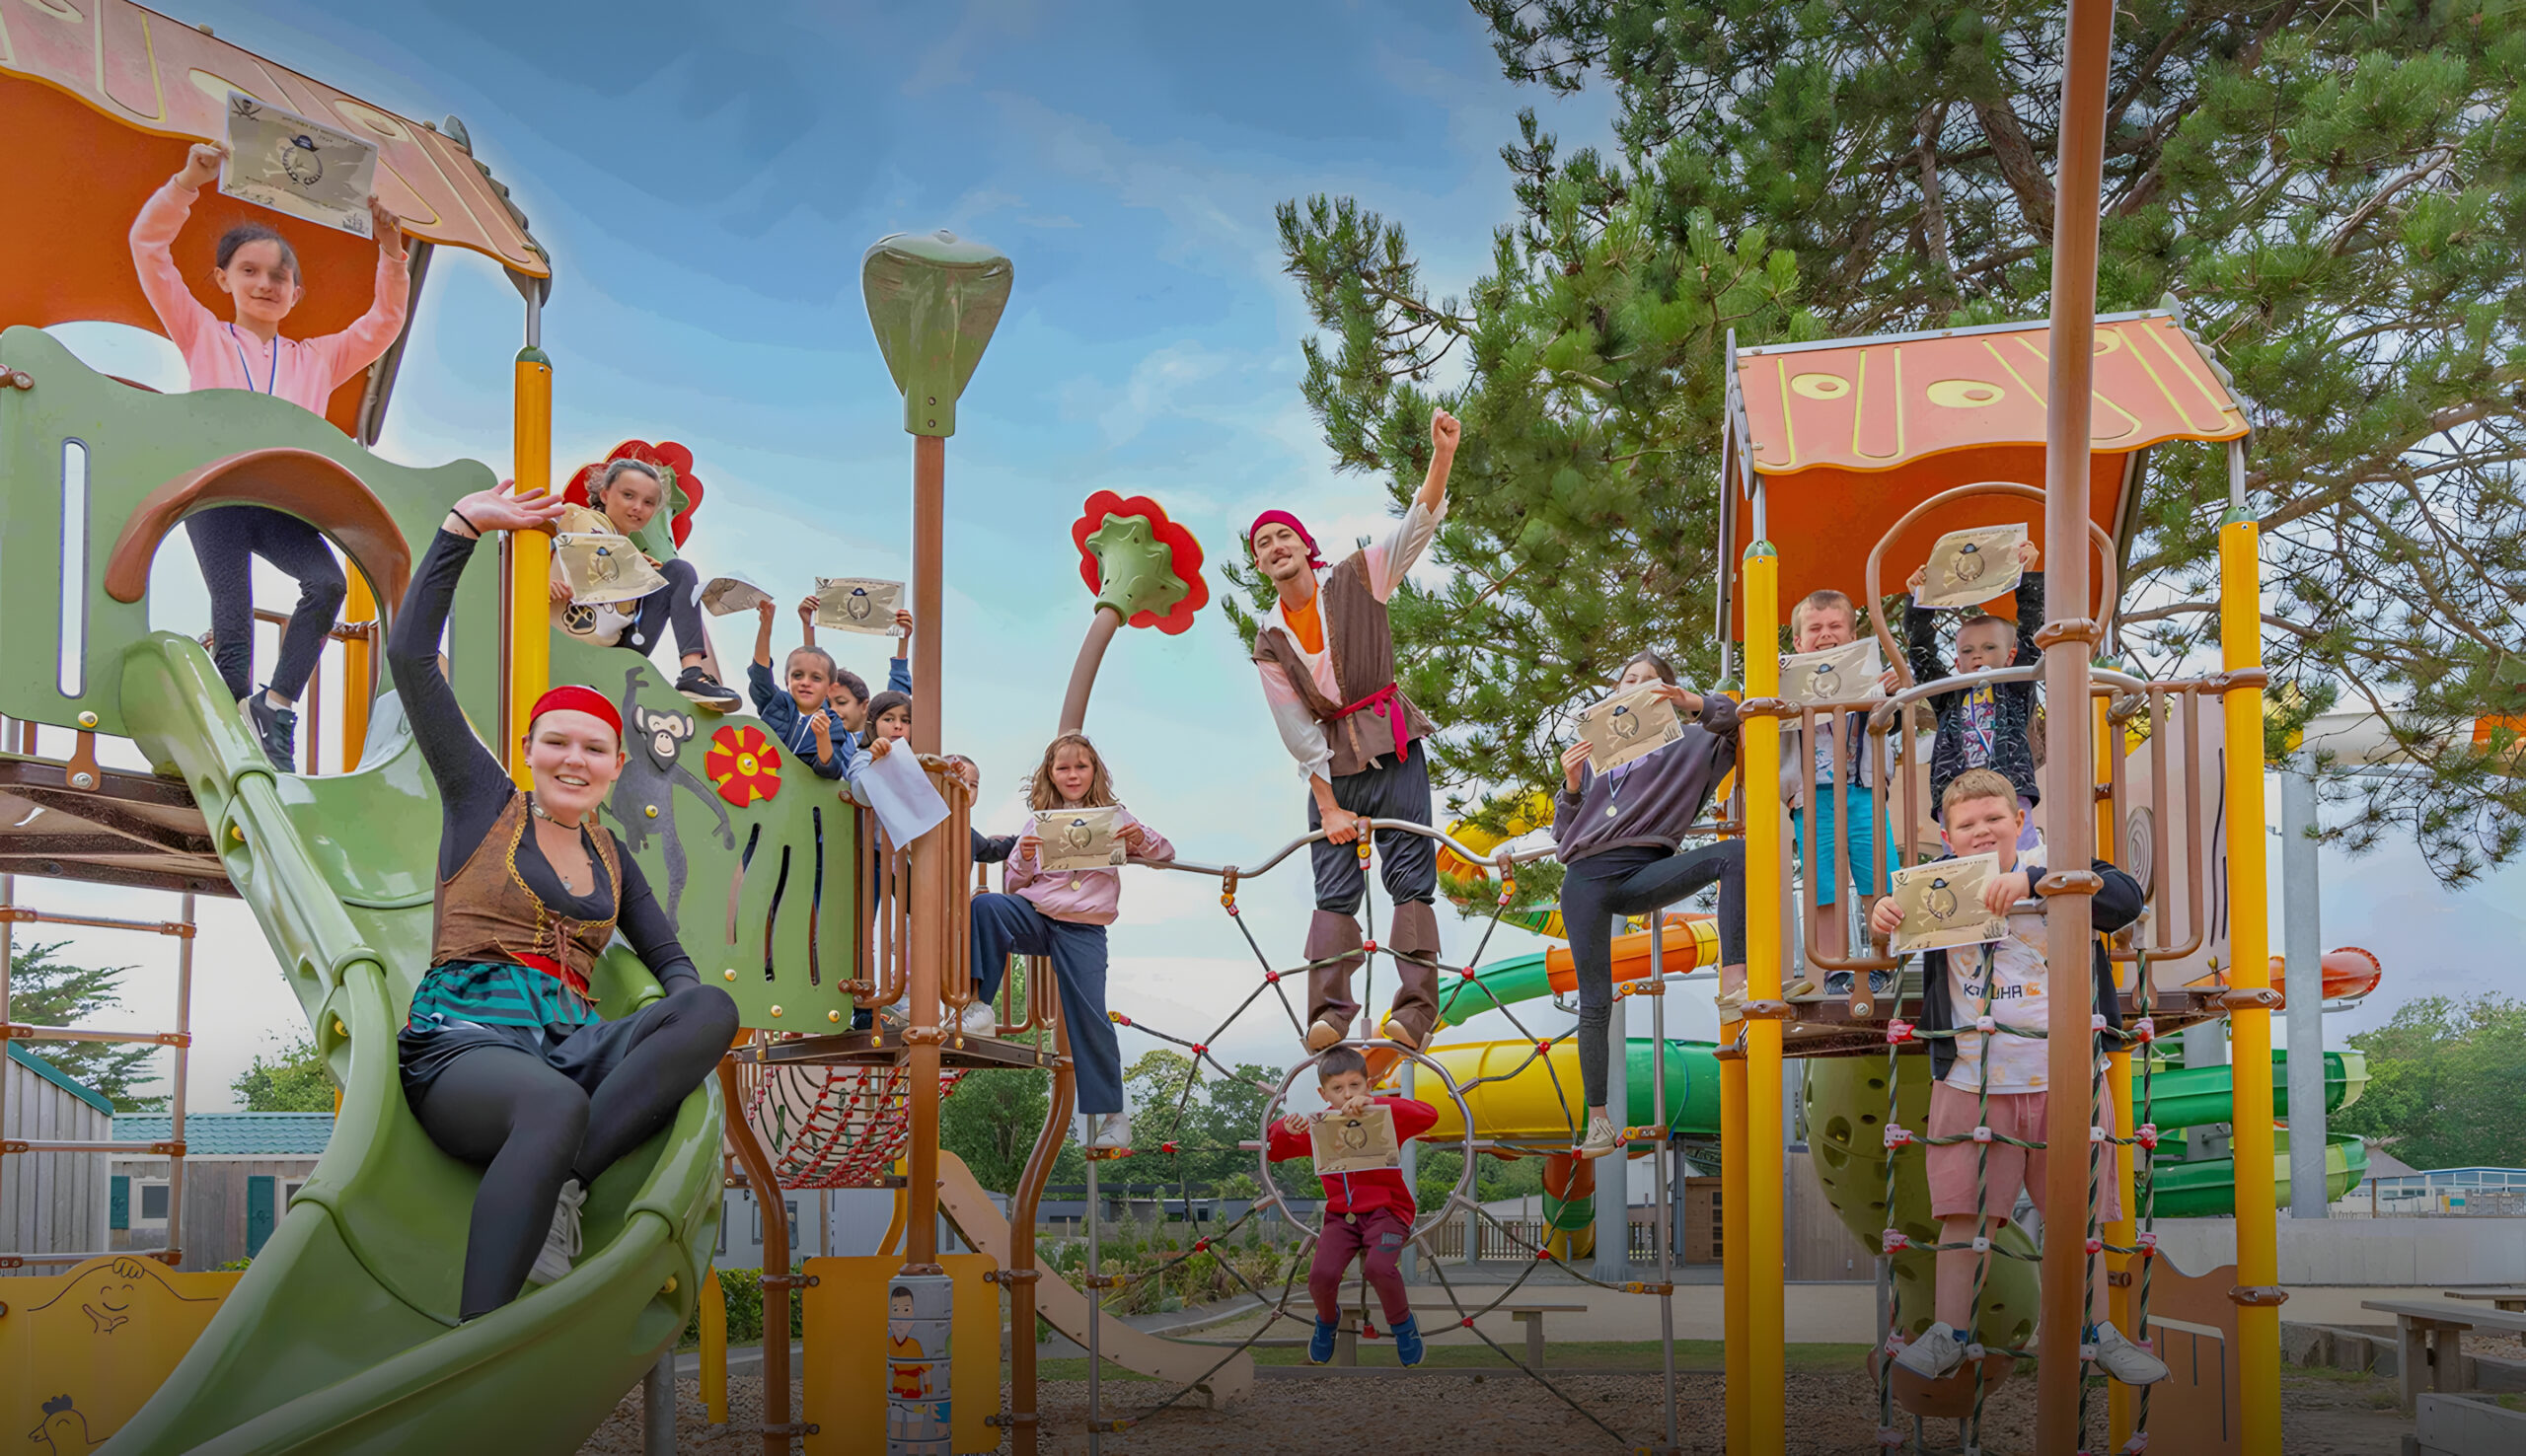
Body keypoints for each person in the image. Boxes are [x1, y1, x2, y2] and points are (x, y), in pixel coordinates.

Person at [386, 483, 740, 1321]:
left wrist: (670, 1027)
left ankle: (564, 1185)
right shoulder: (484, 803)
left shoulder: (610, 854)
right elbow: (410, 661)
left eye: (593, 749)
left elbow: (673, 963)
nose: (574, 760)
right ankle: (479, 1339)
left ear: (617, 765)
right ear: (530, 750)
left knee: (712, 1010)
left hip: (569, 1042)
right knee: (553, 1103)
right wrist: (463, 529)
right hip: (467, 1047)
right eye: (558, 744)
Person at [1872, 768, 2167, 1388]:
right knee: (1963, 1216)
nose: (1981, 832)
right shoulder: (1935, 888)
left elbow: (2125, 897)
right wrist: (1881, 918)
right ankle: (1949, 1333)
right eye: (1966, 825)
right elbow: (1889, 950)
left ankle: (2095, 1330)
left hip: (2064, 1079)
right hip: (1973, 1079)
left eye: (1993, 820)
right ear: (1947, 837)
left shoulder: (2058, 870)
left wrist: (2034, 881)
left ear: (2019, 821)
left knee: (2077, 1217)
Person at [130, 140, 411, 772]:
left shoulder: (315, 357)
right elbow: (149, 252)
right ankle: (228, 749)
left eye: (278, 276)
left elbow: (383, 323)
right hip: (221, 497)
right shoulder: (204, 331)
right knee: (234, 628)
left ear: (295, 292)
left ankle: (276, 706)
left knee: (327, 583)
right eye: (249, 271)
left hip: (284, 501)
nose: (264, 283)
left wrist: (391, 252)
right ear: (224, 280)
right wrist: (187, 183)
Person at [1247, 406, 1462, 1071]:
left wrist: (1442, 453)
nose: (1276, 547)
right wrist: (1330, 803)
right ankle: (1327, 1017)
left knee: (1408, 877)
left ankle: (1412, 1014)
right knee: (1333, 888)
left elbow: (1419, 521)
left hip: (1392, 746)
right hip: (1332, 766)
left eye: (1284, 536)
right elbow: (1295, 727)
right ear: (1259, 564)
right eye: (1263, 544)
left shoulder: (1359, 575)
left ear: (1304, 546)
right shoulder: (1270, 639)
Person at [1552, 651, 1746, 1157]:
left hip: (1643, 868)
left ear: (1664, 693)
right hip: (1585, 877)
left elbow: (1737, 721)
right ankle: (1597, 1121)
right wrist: (1570, 788)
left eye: (1650, 681)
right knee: (1595, 1000)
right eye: (1628, 679)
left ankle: (1733, 982)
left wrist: (1693, 704)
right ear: (1615, 695)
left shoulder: (1691, 740)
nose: (1636, 686)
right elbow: (1564, 840)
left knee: (1735, 855)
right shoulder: (1597, 758)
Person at [967, 733, 1172, 1149]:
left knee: (1090, 1014)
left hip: (1083, 927)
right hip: (1038, 916)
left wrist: (1136, 838)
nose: (1073, 774)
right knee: (985, 907)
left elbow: (1163, 854)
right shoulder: (1040, 819)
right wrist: (1023, 855)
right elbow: (1013, 882)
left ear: (1094, 770)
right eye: (1063, 768)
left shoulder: (1113, 815)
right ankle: (979, 1006)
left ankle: (1113, 1116)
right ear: (1051, 775)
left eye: (1081, 766)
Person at [1266, 1046, 1437, 1366]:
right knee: (1321, 1276)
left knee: (1378, 1267)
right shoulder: (1321, 1128)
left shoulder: (1382, 1117)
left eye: (1355, 1086)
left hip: (1388, 1213)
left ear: (1367, 1085)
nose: (1347, 1095)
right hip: (1341, 1218)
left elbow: (1429, 1115)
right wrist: (1284, 1128)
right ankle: (1327, 1321)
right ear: (1324, 1092)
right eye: (1338, 1089)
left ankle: (1403, 1326)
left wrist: (1377, 1103)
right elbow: (1274, 1150)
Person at [548, 458, 741, 711]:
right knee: (669, 572)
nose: (638, 507)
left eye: (648, 502)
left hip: (615, 655)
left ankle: (692, 674)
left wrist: (641, 568)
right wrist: (539, 580)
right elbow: (520, 547)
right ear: (604, 494)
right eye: (628, 495)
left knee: (679, 571)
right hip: (563, 641)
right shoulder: (580, 518)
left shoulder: (636, 559)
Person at [1779, 588, 1900, 964]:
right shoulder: (1785, 685)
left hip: (1862, 788)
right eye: (1814, 628)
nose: (1826, 634)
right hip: (1812, 796)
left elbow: (1889, 727)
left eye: (1835, 626)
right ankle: (1834, 966)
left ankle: (1883, 960)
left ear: (1852, 636)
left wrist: (1892, 697)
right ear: (1799, 642)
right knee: (1823, 886)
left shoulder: (1868, 681)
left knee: (1879, 878)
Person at [1903, 542, 2043, 849]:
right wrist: (1919, 601)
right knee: (1963, 877)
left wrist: (2029, 577)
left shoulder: (2015, 685)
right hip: (1957, 799)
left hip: (2008, 793)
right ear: (1957, 662)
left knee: (2020, 866)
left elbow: (2034, 637)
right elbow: (1921, 653)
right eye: (1968, 651)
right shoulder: (1949, 695)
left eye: (1989, 648)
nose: (1977, 656)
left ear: (2010, 656)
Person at [747, 600, 851, 781]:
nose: (805, 683)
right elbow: (760, 677)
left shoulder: (832, 723)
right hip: (759, 787)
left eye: (816, 678)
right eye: (797, 675)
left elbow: (830, 770)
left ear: (830, 687)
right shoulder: (778, 702)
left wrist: (822, 737)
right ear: (787, 681)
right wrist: (765, 628)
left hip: (796, 801)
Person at [799, 594, 913, 750]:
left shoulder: (877, 741)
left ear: (865, 706)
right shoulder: (825, 741)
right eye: (826, 704)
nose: (832, 710)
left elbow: (897, 700)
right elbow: (813, 675)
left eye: (841, 702)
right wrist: (808, 625)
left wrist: (903, 639)